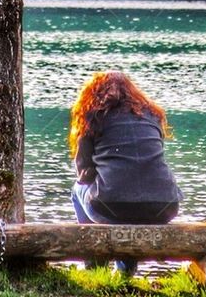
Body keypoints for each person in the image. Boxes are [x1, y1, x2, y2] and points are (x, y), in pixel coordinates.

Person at [69, 70, 184, 275]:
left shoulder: (93, 116)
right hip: (165, 206)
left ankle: (95, 264)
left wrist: (103, 170)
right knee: (124, 200)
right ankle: (125, 273)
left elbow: (83, 172)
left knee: (78, 189)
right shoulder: (152, 115)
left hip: (111, 206)